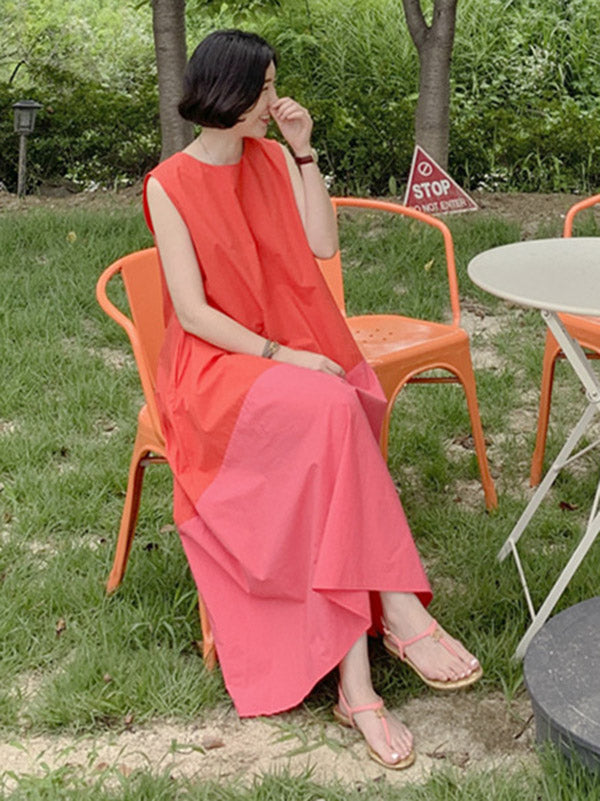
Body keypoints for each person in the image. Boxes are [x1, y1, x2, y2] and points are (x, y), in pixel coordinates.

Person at [143, 28, 481, 770]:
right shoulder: (168, 183)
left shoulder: (272, 158)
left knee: (336, 413)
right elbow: (193, 314)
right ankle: (395, 609)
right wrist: (283, 355)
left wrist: (304, 152)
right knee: (332, 406)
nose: (276, 99)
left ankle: (357, 684)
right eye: (265, 88)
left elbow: (322, 244)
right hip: (218, 372)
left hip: (286, 347)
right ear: (230, 93)